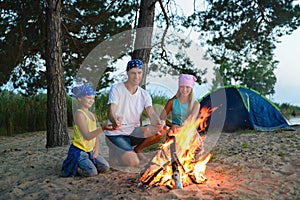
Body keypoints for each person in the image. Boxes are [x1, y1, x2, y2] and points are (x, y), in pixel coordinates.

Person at [105, 59, 166, 167]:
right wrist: (114, 121)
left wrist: (158, 122)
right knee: (134, 162)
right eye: (133, 73)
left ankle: (138, 149)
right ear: (127, 73)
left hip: (133, 132)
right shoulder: (117, 89)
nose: (136, 76)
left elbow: (151, 113)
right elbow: (111, 110)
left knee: (162, 130)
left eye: (139, 73)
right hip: (116, 134)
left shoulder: (144, 94)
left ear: (142, 73)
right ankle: (117, 150)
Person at [60, 84, 109, 177]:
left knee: (105, 167)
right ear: (79, 98)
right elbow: (87, 136)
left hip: (90, 150)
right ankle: (74, 166)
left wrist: (96, 149)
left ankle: (88, 162)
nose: (91, 100)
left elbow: (95, 135)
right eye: (88, 98)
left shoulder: (92, 115)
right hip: (80, 150)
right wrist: (103, 128)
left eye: (93, 98)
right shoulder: (79, 114)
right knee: (92, 173)